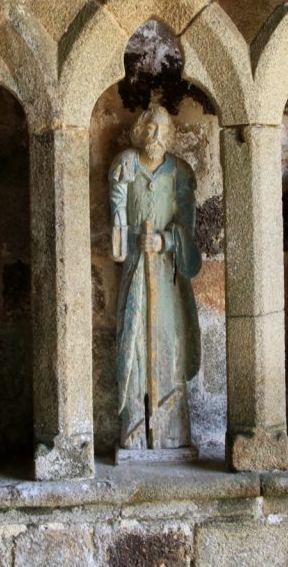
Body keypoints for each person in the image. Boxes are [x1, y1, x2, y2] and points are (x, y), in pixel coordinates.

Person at [109, 105, 201, 453]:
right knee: (133, 340)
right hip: (136, 269)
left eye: (162, 131)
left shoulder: (179, 173)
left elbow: (188, 230)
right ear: (139, 132)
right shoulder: (126, 166)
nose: (156, 137)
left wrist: (165, 240)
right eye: (150, 129)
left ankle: (171, 432)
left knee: (168, 345)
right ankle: (135, 429)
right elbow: (117, 219)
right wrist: (120, 197)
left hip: (167, 274)